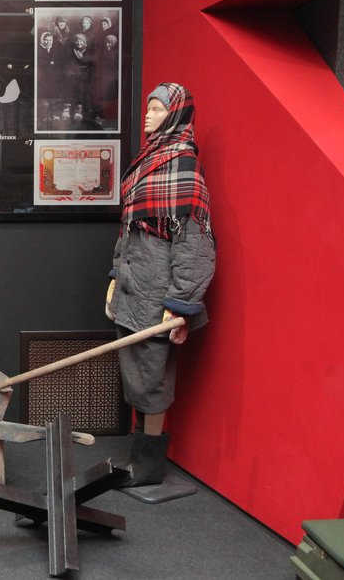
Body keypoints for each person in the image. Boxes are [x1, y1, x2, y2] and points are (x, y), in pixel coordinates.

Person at [105, 83, 215, 487]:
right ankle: (139, 455)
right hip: (132, 286)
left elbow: (196, 245)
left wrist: (182, 302)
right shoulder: (149, 161)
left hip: (158, 296)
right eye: (148, 108)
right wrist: (116, 276)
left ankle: (149, 467)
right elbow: (129, 228)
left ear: (176, 116)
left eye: (157, 109)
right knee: (136, 374)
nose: (148, 116)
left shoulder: (183, 168)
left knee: (153, 377)